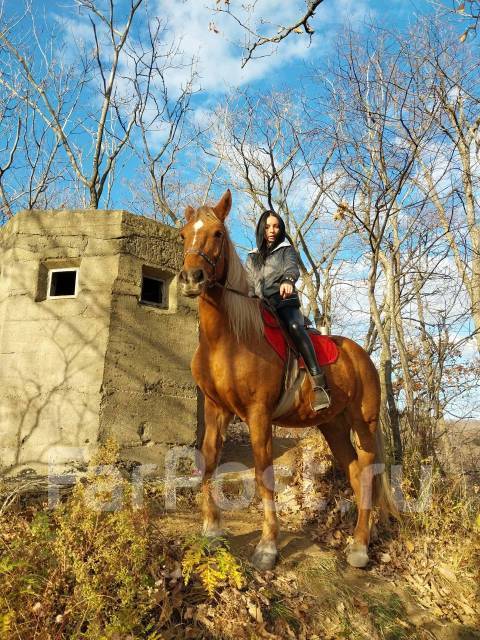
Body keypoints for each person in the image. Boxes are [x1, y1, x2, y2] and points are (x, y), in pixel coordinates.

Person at [245, 210, 330, 411]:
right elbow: (248, 281)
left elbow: (292, 268)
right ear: (261, 229)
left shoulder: (286, 250)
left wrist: (288, 280)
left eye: (275, 226)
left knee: (294, 326)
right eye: (267, 227)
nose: (272, 230)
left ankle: (319, 383)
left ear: (281, 228)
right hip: (259, 305)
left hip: (283, 301)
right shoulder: (252, 256)